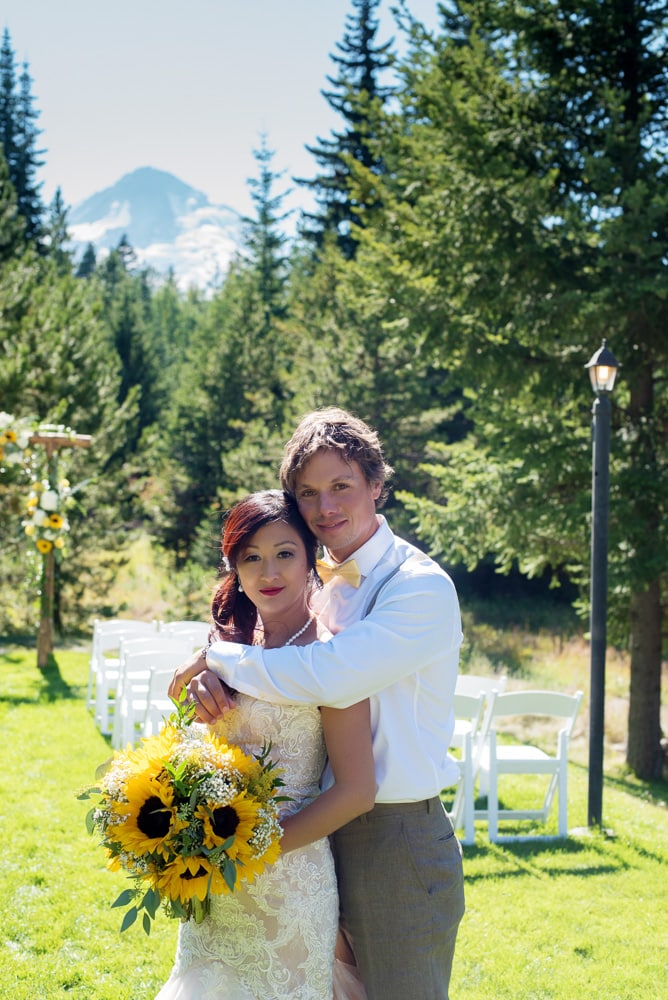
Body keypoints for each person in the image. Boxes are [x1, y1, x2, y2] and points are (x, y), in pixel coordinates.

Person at [171, 408, 466, 1000]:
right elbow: (278, 643)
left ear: (378, 486)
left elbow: (328, 675)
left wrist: (217, 659)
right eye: (308, 492)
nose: (325, 506)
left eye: (341, 487)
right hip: (315, 840)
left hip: (395, 837)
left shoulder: (419, 587)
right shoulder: (321, 583)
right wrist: (216, 660)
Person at [158, 489, 374, 1000]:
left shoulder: (332, 657)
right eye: (250, 557)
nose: (268, 571)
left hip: (290, 880)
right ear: (234, 569)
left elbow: (357, 789)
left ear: (310, 560)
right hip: (214, 881)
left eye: (284, 553)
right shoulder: (229, 650)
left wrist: (255, 848)